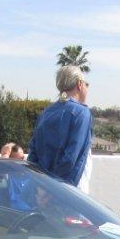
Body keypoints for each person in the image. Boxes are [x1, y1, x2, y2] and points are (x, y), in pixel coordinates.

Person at [27, 65, 92, 193]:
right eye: (86, 84)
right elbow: (70, 159)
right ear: (79, 84)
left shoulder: (46, 113)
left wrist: (41, 188)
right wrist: (52, 190)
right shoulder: (82, 113)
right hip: (67, 192)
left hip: (42, 190)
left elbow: (33, 155)